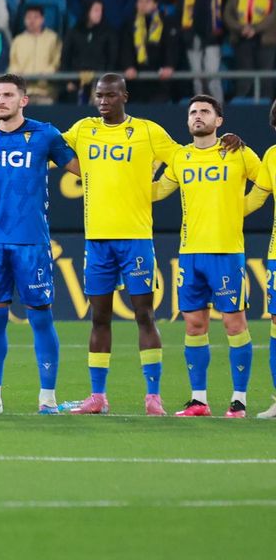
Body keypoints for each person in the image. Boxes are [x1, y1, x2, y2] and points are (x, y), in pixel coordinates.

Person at [60, 74, 184, 416]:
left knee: (145, 314)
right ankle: (97, 397)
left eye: (110, 96)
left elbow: (183, 160)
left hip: (136, 239)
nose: (103, 101)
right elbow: (51, 144)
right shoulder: (84, 129)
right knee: (99, 317)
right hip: (97, 240)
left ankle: (153, 396)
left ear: (124, 96)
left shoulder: (147, 131)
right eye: (99, 96)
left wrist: (156, 190)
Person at [0, 74, 80, 415]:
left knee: (41, 320)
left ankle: (48, 400)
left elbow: (81, 169)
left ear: (23, 100)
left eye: (8, 95)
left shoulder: (45, 135)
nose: (0, 100)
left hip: (32, 243)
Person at [152, 96, 267, 418]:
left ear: (219, 120)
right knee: (194, 324)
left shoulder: (238, 152)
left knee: (234, 324)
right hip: (190, 253)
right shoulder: (180, 157)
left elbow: (265, 183)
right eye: (192, 112)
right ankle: (199, 400)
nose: (197, 116)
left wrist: (237, 210)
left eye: (205, 111)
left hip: (227, 252)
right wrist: (119, 186)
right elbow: (159, 191)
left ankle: (239, 401)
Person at [9, 6, 62, 103]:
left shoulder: (53, 38)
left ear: (42, 19)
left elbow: (56, 62)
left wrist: (44, 74)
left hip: (45, 92)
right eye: (28, 17)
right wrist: (19, 78)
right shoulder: (18, 40)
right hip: (23, 94)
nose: (32, 21)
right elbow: (13, 63)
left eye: (35, 17)